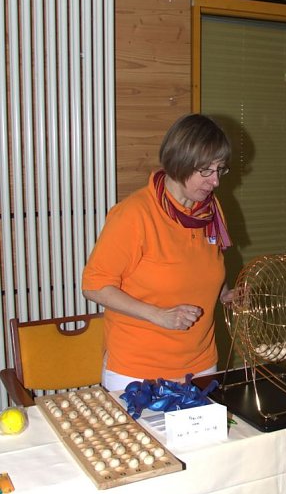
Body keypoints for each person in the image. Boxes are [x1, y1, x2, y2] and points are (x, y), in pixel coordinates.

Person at [82, 113, 233, 390]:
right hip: (138, 372)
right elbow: (94, 286)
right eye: (205, 171)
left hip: (201, 364)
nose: (215, 182)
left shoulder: (210, 210)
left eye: (220, 169)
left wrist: (224, 293)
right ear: (180, 162)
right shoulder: (134, 215)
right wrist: (158, 315)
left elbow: (205, 267)